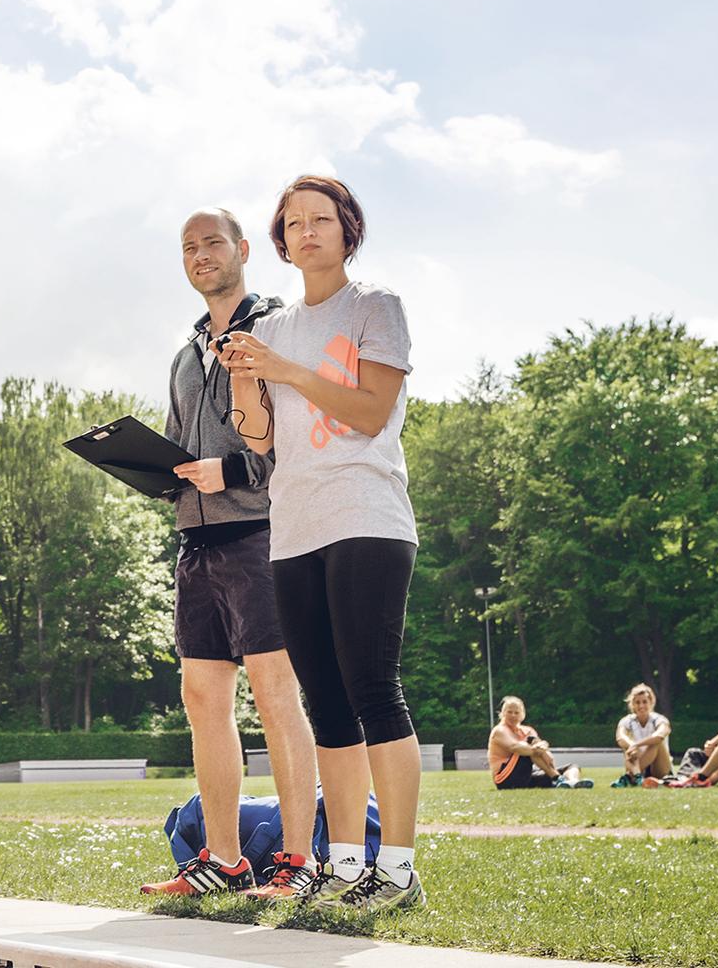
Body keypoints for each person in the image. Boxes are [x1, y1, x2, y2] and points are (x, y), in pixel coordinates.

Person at [220, 174, 424, 911]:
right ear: (281, 240)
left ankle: (397, 871)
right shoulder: (272, 328)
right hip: (295, 527)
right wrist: (245, 377)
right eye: (294, 223)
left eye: (321, 219)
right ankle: (342, 865)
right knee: (328, 703)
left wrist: (283, 370)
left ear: (347, 229)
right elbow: (261, 438)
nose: (307, 232)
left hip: (366, 514)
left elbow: (370, 412)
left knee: (374, 690)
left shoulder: (375, 306)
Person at [139, 207, 320, 899]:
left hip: (262, 537)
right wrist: (151, 470)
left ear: (243, 249)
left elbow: (295, 444)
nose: (200, 255)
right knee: (202, 699)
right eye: (189, 247)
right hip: (195, 546)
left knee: (276, 696)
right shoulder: (185, 357)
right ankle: (224, 860)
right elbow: (178, 450)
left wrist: (233, 471)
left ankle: (298, 862)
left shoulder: (276, 334)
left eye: (212, 242)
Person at [488, 697, 589, 789]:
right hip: (505, 779)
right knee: (527, 746)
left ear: (522, 715)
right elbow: (515, 747)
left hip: (525, 776)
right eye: (509, 712)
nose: (513, 715)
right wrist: (539, 749)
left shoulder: (528, 730)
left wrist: (544, 749)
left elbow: (541, 745)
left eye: (516, 712)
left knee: (571, 766)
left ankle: (572, 782)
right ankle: (556, 777)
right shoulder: (499, 730)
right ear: (503, 713)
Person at [610, 683, 672, 788]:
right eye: (637, 702)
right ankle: (637, 776)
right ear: (632, 705)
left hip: (659, 768)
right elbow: (620, 737)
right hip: (637, 762)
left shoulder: (659, 719)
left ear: (651, 702)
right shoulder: (627, 721)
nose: (641, 706)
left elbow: (660, 735)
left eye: (644, 702)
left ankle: (630, 777)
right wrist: (632, 745)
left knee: (655, 743)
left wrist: (637, 744)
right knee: (627, 746)